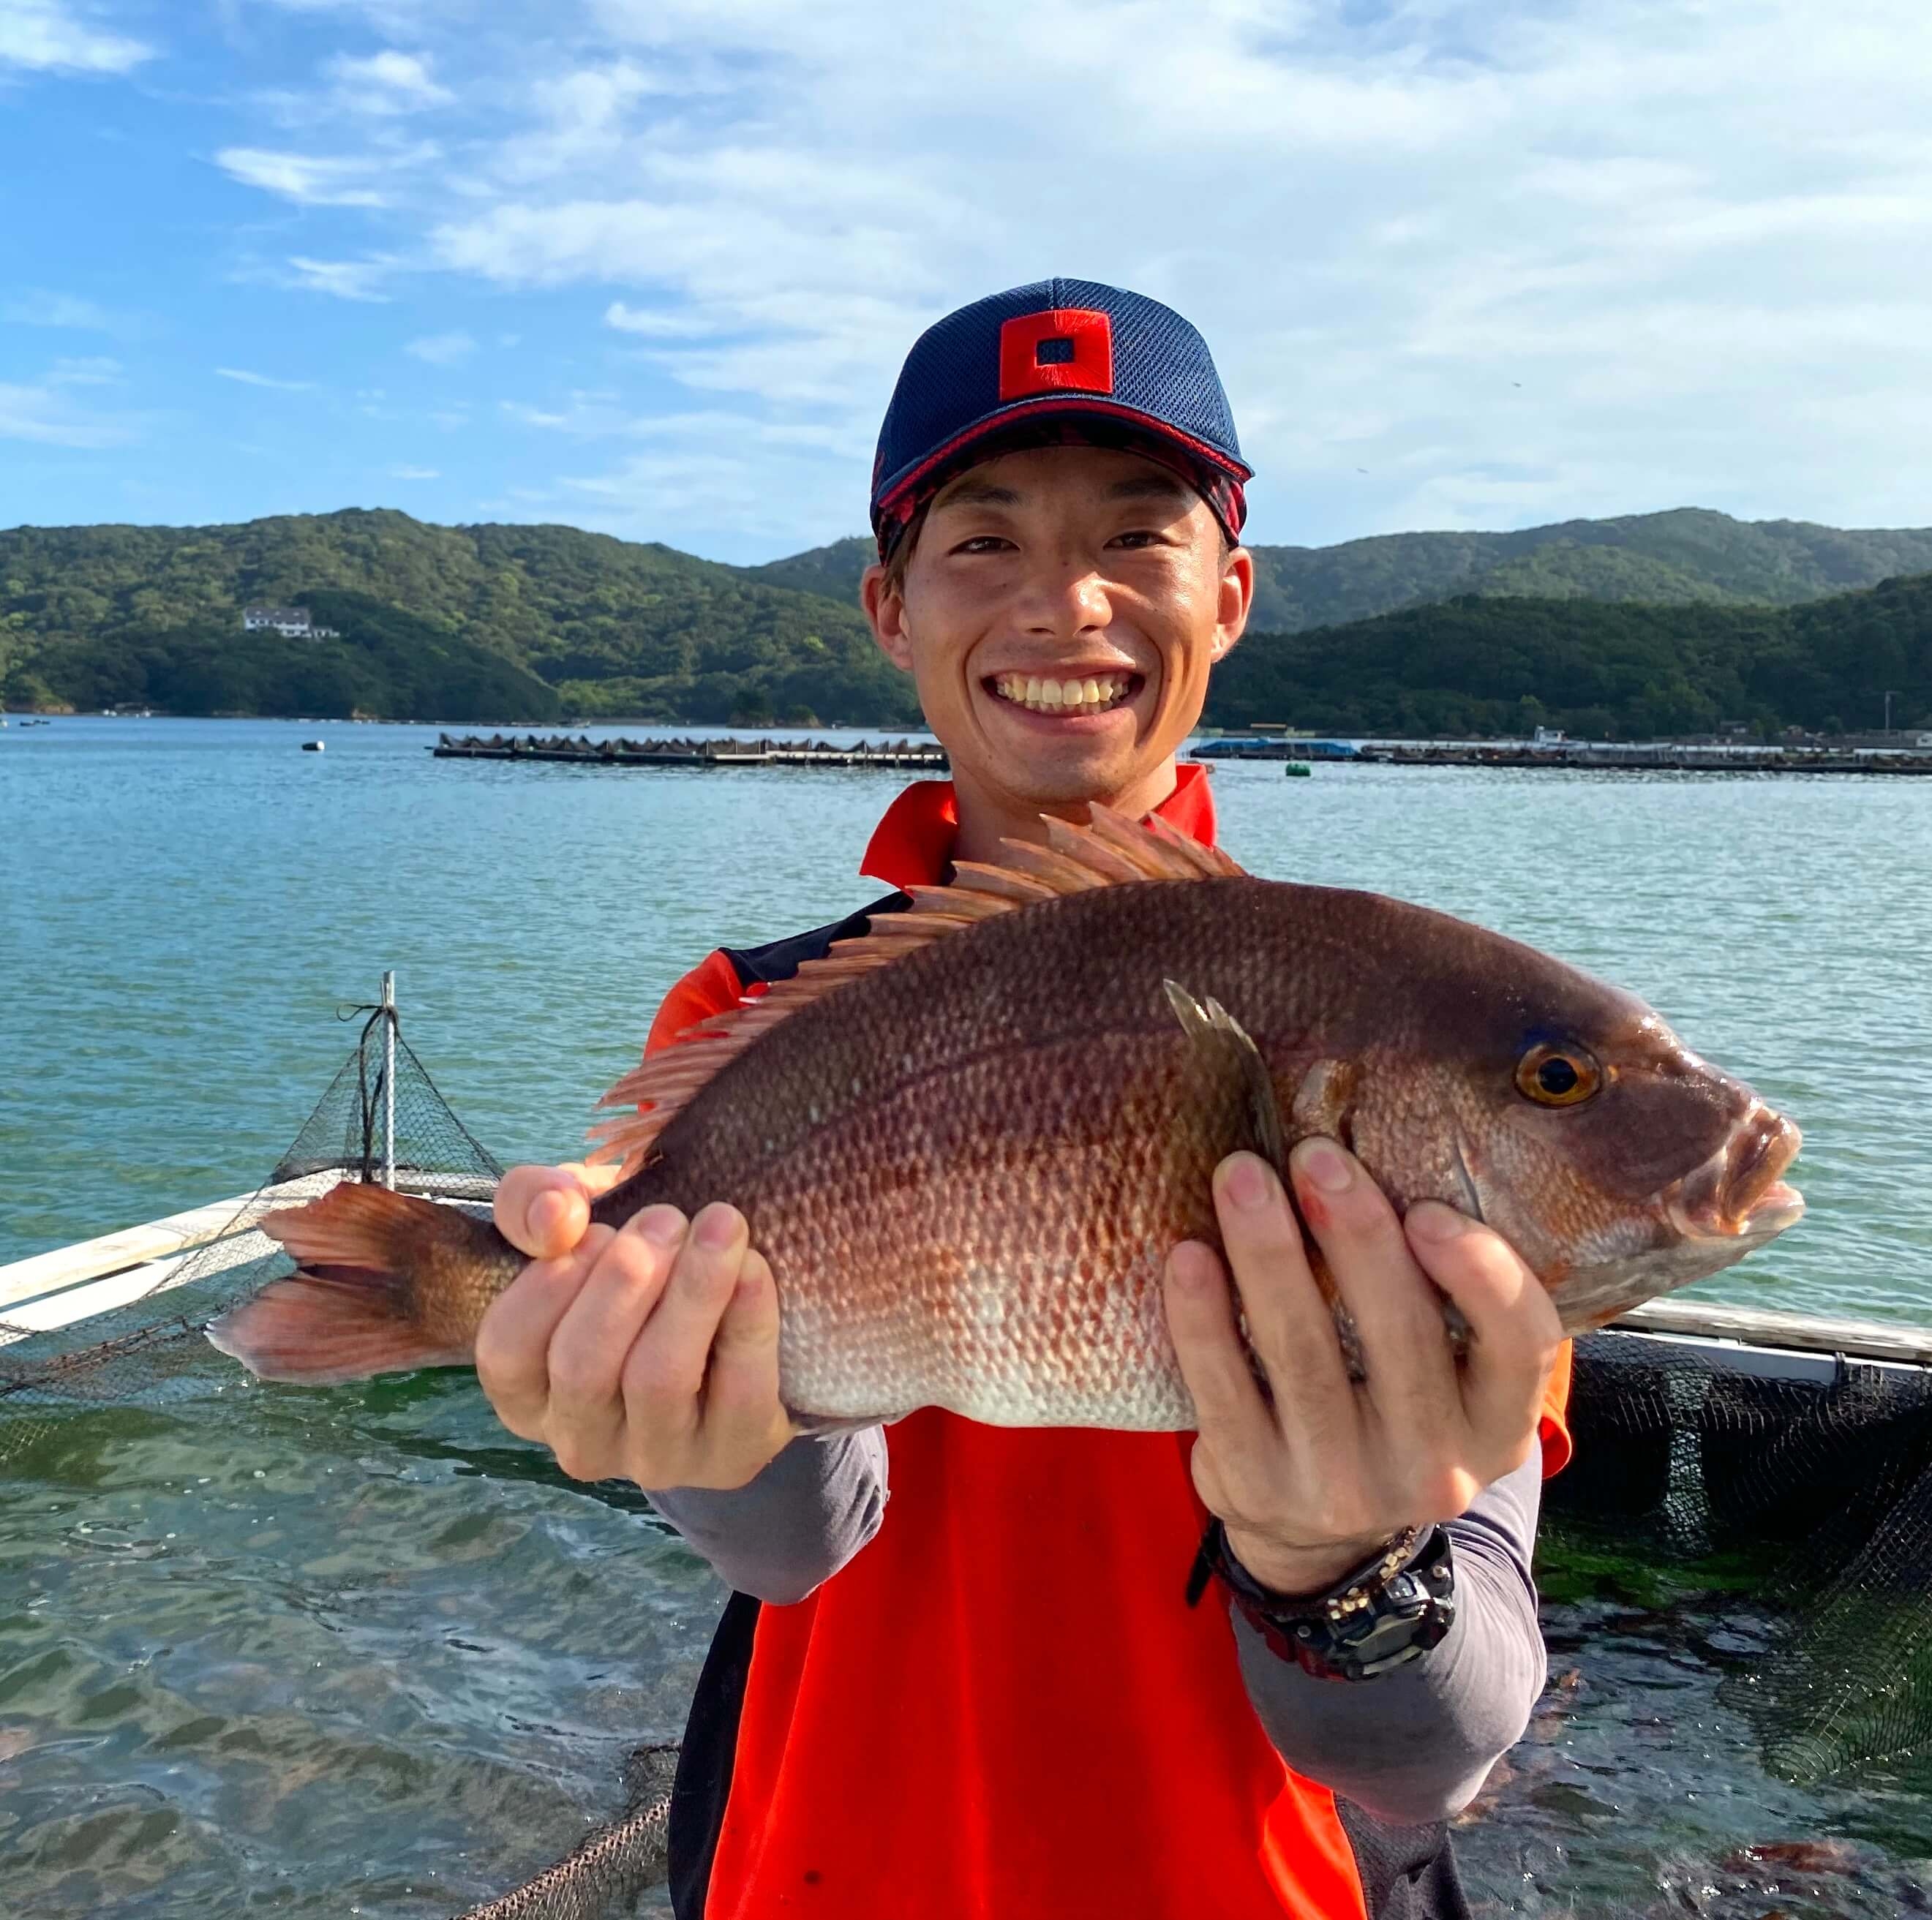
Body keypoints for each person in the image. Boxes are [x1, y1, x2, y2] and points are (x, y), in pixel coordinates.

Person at [475, 279, 1573, 1920]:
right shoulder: (750, 1016)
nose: (1067, 603)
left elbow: (1432, 1756)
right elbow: (790, 1552)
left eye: (1140, 536)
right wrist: (660, 1403)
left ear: (1233, 593)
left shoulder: (1397, 1045)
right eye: (982, 542)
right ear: (887, 606)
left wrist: (1341, 1570)